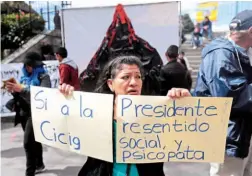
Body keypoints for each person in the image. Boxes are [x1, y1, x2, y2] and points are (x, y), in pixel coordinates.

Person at [59, 55, 191, 176]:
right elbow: (65, 128)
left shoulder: (157, 111)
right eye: (126, 77)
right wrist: (67, 99)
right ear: (111, 84)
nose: (134, 82)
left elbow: (186, 134)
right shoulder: (93, 111)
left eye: (138, 77)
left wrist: (184, 105)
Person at [194, 10, 252, 176]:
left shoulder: (241, 52)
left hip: (241, 133)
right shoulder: (221, 54)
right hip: (229, 137)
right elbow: (229, 97)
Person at [5, 52, 51, 176]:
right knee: (34, 140)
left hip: (36, 113)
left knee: (27, 143)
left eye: (32, 65)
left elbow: (43, 93)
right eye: (28, 65)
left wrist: (22, 89)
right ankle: (39, 164)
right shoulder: (23, 77)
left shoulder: (44, 76)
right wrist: (13, 90)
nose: (30, 68)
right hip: (23, 112)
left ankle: (29, 172)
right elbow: (20, 94)